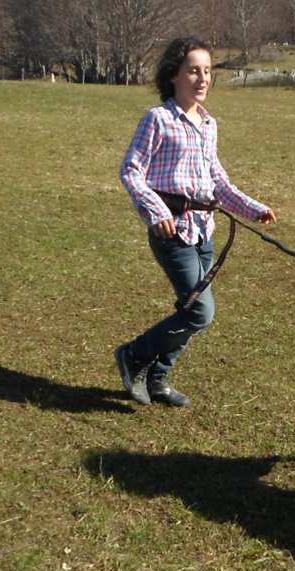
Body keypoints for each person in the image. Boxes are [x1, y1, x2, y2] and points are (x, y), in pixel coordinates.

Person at [116, 36, 276, 407]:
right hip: (172, 231)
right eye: (193, 70)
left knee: (190, 310)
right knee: (201, 312)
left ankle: (158, 378)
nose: (202, 79)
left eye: (207, 71)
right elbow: (131, 171)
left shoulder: (208, 124)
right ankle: (134, 355)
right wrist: (156, 213)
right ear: (174, 74)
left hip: (204, 231)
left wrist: (254, 208)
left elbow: (218, 181)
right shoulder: (158, 120)